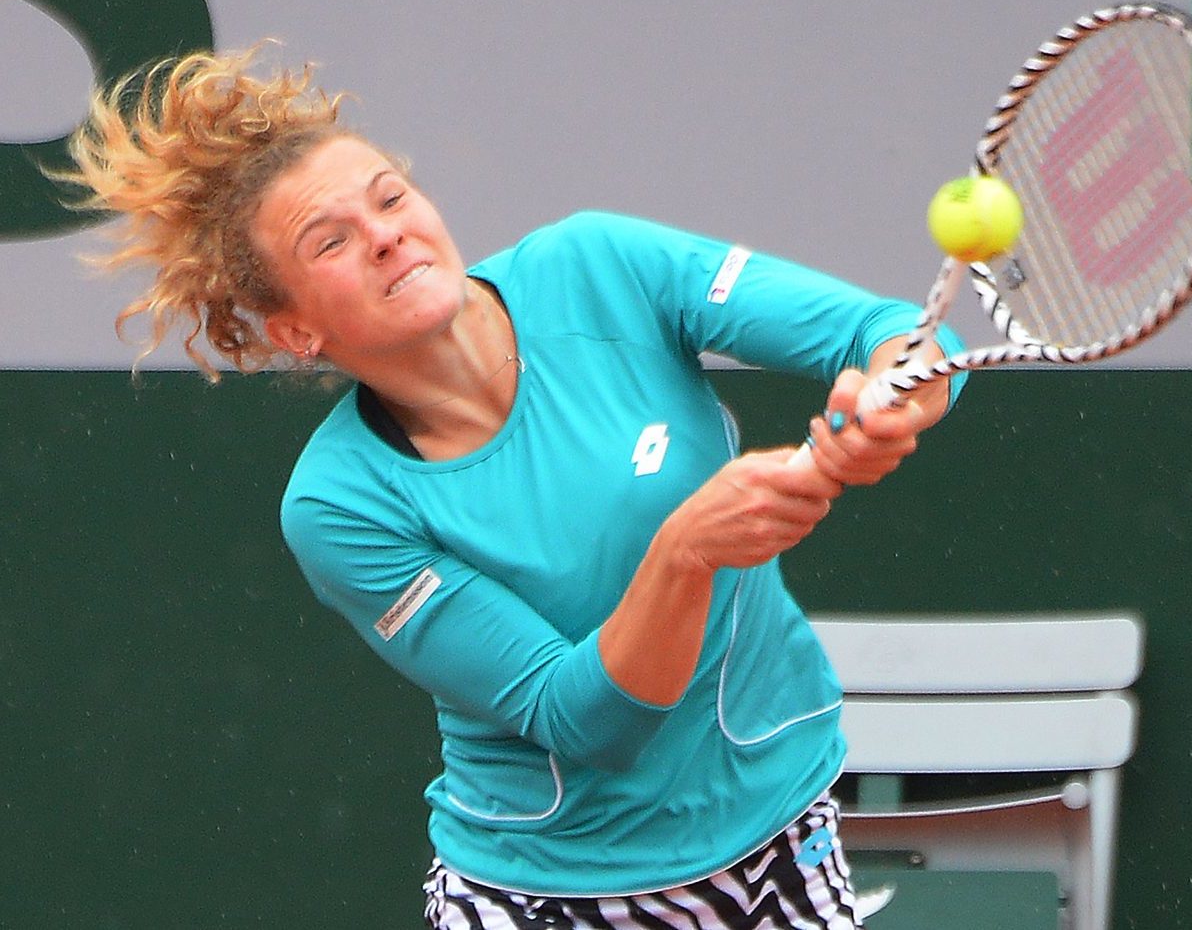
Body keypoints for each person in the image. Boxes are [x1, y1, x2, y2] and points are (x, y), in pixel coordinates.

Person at [61, 49, 963, 929]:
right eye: (330, 241)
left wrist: (892, 398)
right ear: (296, 331)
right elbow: (584, 720)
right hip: (545, 898)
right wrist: (688, 550)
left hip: (780, 838)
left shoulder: (598, 263)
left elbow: (898, 334)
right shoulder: (339, 506)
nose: (385, 235)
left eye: (390, 198)